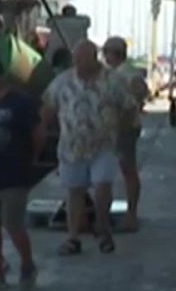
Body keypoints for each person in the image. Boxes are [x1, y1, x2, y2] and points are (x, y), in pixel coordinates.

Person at [41, 39, 137, 256]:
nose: (80, 64)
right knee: (74, 192)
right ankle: (73, 237)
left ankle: (102, 225)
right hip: (71, 146)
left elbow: (129, 108)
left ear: (95, 58)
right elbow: (48, 106)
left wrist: (121, 133)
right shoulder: (63, 81)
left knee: (102, 184)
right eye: (77, 60)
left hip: (104, 145)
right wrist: (41, 130)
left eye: (84, 59)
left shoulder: (113, 81)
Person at [0, 61, 45, 290]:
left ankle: (27, 264)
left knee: (13, 225)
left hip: (14, 177)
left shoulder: (21, 104)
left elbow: (38, 133)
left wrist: (32, 157)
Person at [102, 35, 150, 231]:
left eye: (105, 52)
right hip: (114, 128)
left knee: (127, 171)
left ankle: (131, 215)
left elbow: (140, 93)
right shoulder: (117, 73)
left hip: (125, 129)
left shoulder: (126, 74)